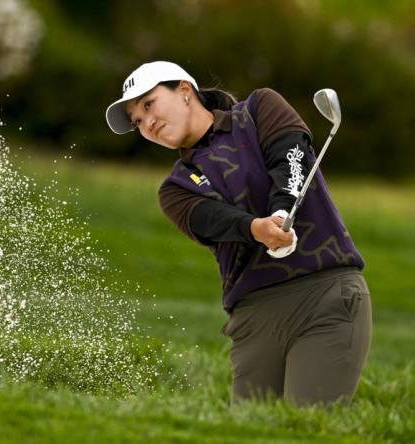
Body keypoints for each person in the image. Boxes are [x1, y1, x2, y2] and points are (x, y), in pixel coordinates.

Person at [104, 61, 372, 406]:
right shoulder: (175, 188)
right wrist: (256, 229)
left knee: (309, 427)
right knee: (253, 431)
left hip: (325, 296)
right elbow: (213, 220)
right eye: (137, 121)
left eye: (149, 104)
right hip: (254, 315)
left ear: (185, 91)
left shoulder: (260, 109)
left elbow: (289, 158)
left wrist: (279, 212)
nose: (146, 123)